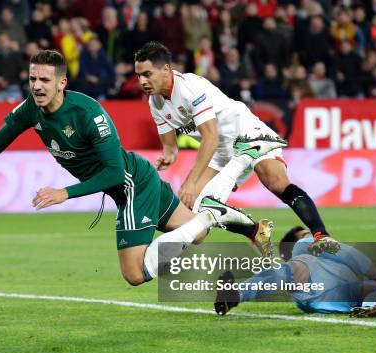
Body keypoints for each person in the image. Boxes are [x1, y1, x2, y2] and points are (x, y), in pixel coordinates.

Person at [0, 50, 254, 286]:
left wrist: (64, 193)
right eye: (32, 79)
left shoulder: (88, 113)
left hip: (132, 182)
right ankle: (229, 220)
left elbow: (114, 173)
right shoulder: (30, 108)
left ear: (61, 82)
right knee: (196, 234)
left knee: (134, 273)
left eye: (45, 80)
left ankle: (215, 210)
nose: (37, 86)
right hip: (128, 185)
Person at [134, 41, 339, 258]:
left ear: (165, 69)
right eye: (138, 76)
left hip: (248, 133)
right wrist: (167, 158)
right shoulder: (155, 102)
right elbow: (170, 147)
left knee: (275, 181)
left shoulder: (189, 87)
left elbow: (210, 137)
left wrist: (191, 182)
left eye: (147, 74)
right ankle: (255, 230)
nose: (142, 81)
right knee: (196, 229)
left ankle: (321, 235)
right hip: (221, 151)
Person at [214, 226, 376, 318]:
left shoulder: (317, 260)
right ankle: (375, 303)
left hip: (328, 298)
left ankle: (371, 307)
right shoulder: (303, 248)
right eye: (304, 234)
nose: (310, 236)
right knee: (297, 268)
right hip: (323, 286)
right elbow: (350, 254)